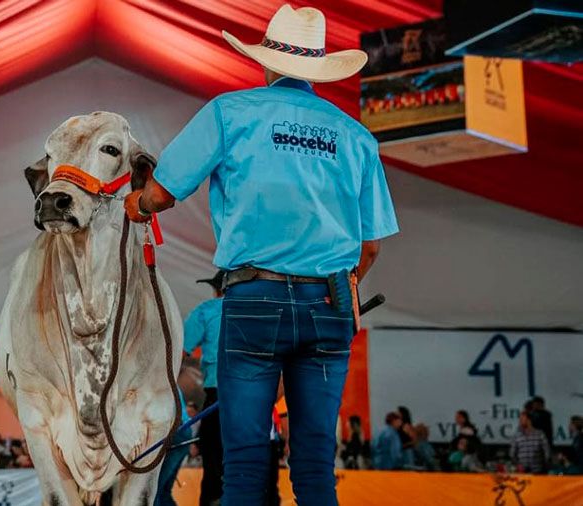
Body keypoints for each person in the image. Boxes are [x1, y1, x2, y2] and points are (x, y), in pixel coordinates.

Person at [124, 4, 398, 504]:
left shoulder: (232, 113)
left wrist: (135, 205)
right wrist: (347, 285)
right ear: (317, 68)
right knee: (315, 466)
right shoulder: (357, 136)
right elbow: (372, 245)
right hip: (331, 305)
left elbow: (162, 194)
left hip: (255, 301)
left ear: (267, 62)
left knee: (245, 465)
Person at [182, 270, 224, 506]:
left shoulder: (207, 310)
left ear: (217, 289)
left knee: (213, 461)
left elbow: (180, 351)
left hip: (218, 396)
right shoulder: (256, 310)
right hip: (254, 397)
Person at [155, 389, 193, 506]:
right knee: (165, 490)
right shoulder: (171, 381)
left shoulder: (162, 382)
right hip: (184, 432)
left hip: (176, 432)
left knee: (157, 488)